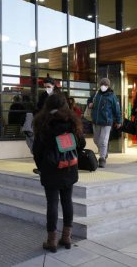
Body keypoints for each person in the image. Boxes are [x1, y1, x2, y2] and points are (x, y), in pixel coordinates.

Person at [32, 94, 86, 253]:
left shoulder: (42, 122)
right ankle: (67, 237)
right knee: (67, 201)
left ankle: (52, 241)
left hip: (50, 169)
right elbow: (81, 143)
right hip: (69, 167)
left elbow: (37, 151)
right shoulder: (72, 121)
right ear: (65, 106)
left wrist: (41, 167)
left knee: (52, 203)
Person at [87, 78, 121, 168]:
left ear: (108, 86)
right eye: (102, 84)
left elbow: (117, 110)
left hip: (107, 122)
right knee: (96, 140)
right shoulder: (96, 94)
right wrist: (89, 103)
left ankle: (102, 158)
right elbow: (89, 100)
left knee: (103, 141)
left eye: (105, 85)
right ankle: (104, 151)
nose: (103, 86)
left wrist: (119, 121)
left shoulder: (112, 96)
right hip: (96, 121)